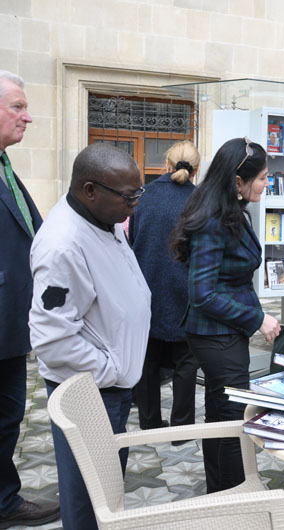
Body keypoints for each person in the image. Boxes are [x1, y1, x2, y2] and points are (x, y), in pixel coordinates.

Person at [29, 143, 151, 530]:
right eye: (128, 196)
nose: (135, 204)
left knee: (107, 491)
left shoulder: (103, 219)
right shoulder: (62, 245)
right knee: (89, 497)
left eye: (138, 192)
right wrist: (111, 370)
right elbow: (52, 339)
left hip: (111, 386)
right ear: (90, 191)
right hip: (92, 389)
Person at [170, 137, 281, 493]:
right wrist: (256, 319)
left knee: (221, 416)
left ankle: (220, 494)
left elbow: (231, 281)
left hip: (224, 332)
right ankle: (236, 497)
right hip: (214, 335)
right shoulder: (213, 220)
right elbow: (202, 294)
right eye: (262, 177)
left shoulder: (231, 210)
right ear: (237, 180)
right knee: (234, 422)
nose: (266, 183)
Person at [0, 70, 60, 529]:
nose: (28, 117)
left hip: (12, 325)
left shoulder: (5, 167)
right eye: (17, 107)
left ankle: (5, 499)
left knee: (8, 418)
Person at [129, 141, 200, 437]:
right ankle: (182, 429)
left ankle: (149, 423)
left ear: (166, 165)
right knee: (186, 363)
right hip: (185, 292)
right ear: (196, 170)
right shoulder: (200, 200)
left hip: (146, 290)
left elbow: (133, 240)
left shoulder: (143, 196)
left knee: (148, 360)